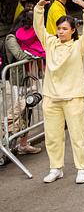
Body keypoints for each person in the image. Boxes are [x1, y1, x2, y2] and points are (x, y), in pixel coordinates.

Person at [33, 0, 84, 184]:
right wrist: (38, 9)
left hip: (73, 96)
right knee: (52, 136)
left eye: (64, 29)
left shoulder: (79, 45)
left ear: (73, 30)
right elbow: (39, 29)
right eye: (59, 28)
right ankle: (56, 168)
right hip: (51, 96)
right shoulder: (50, 43)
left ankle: (82, 168)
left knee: (77, 134)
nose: (60, 32)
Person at [4, 9, 43, 155]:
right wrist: (35, 52)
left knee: (28, 110)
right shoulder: (11, 38)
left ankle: (23, 143)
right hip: (17, 81)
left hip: (28, 79)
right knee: (17, 112)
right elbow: (20, 56)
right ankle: (10, 143)